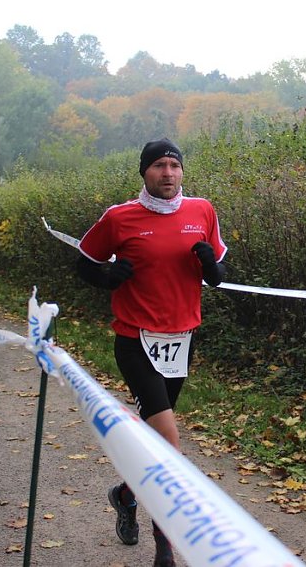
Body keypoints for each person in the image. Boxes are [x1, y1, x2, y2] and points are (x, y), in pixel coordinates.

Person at [76, 138, 226, 567]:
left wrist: (213, 268)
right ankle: (165, 550)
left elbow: (218, 270)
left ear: (182, 171)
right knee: (168, 447)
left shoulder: (203, 211)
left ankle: (126, 495)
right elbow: (84, 261)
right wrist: (107, 276)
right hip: (135, 339)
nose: (167, 173)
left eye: (174, 165)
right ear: (144, 172)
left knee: (156, 442)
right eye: (158, 165)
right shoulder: (120, 217)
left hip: (182, 340)